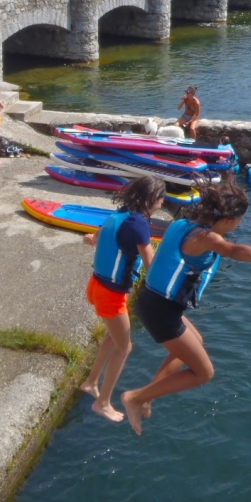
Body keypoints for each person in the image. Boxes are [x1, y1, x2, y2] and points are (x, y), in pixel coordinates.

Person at [120, 182, 251, 435]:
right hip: (160, 311)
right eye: (239, 220)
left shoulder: (182, 224)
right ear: (229, 220)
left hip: (152, 301)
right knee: (204, 373)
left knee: (196, 342)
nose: (239, 225)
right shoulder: (205, 238)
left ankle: (147, 397)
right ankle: (135, 398)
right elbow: (232, 250)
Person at [80, 176, 166, 422]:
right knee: (124, 347)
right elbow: (151, 265)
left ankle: (91, 382)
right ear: (153, 198)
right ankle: (103, 403)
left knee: (114, 338)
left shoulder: (121, 213)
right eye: (161, 198)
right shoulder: (138, 224)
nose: (162, 202)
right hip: (110, 294)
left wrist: (92, 239)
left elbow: (99, 234)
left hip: (96, 286)